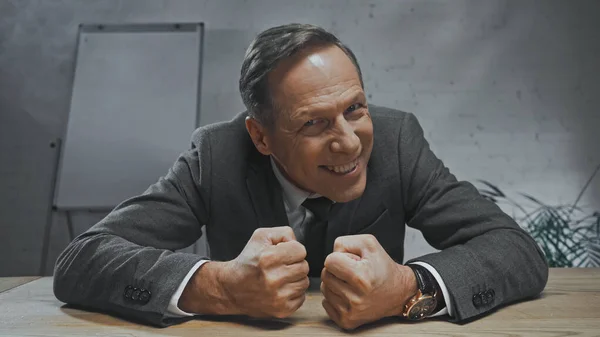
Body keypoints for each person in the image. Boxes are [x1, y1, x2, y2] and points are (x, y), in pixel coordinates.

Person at [53, 23, 548, 330]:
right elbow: (82, 260)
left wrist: (404, 286)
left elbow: (516, 250)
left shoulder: (397, 141)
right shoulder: (217, 154)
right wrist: (221, 286)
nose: (350, 142)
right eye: (314, 123)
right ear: (261, 137)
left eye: (355, 109)